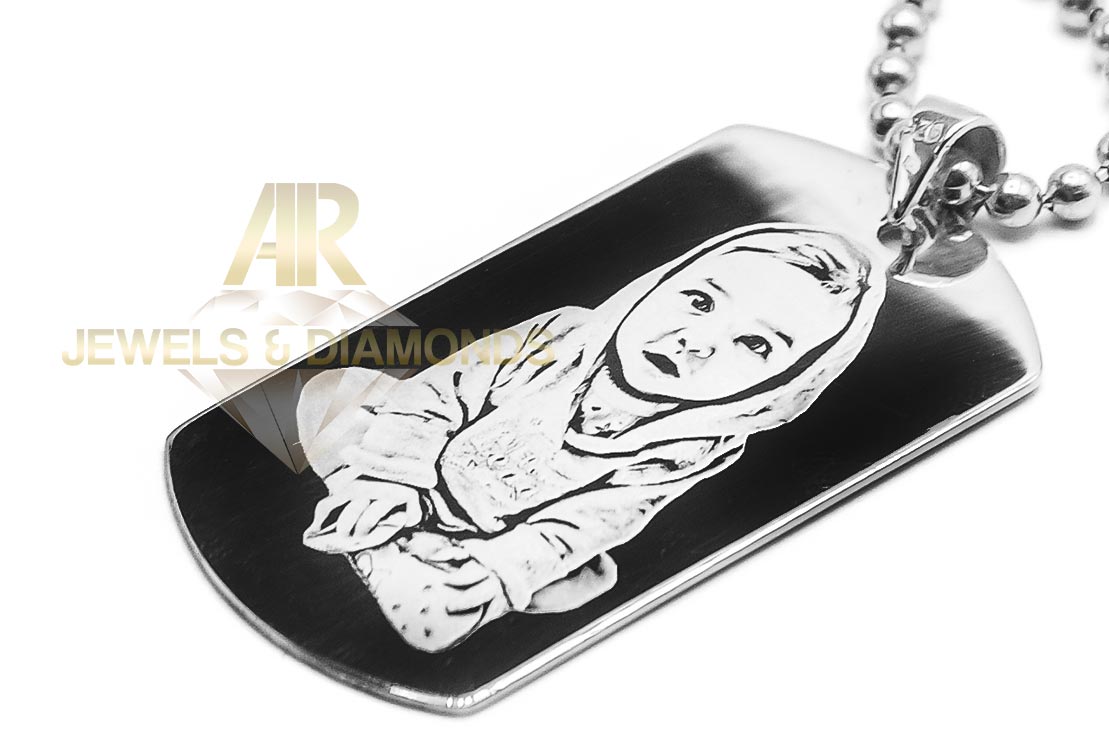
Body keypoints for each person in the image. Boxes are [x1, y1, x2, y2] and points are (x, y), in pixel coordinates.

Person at [295, 223, 887, 652]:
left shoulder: (695, 447)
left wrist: (496, 568)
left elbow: (591, 522)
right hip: (416, 469)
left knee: (587, 578)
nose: (697, 341)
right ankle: (372, 517)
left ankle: (396, 555)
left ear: (781, 387)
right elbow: (442, 391)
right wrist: (390, 477)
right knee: (337, 393)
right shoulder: (563, 333)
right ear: (652, 287)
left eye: (755, 345)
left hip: (500, 533)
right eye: (700, 301)